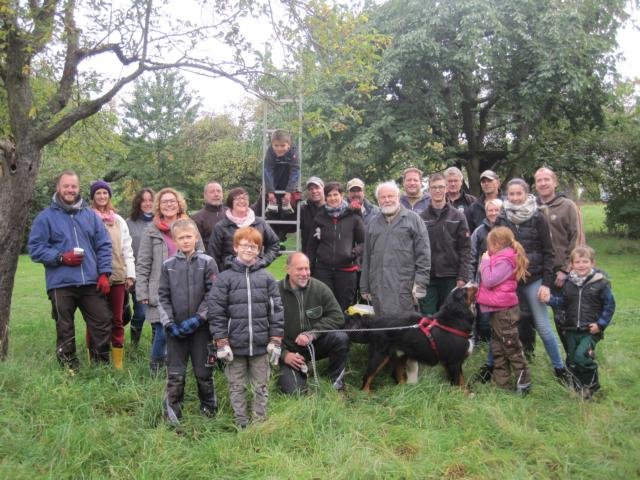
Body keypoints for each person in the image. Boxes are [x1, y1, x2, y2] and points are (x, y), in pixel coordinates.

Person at [28, 170, 112, 372]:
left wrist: (104, 273)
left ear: (78, 188)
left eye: (73, 186)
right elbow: (35, 248)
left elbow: (104, 245)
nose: (70, 190)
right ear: (58, 187)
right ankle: (69, 368)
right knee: (65, 327)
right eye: (66, 186)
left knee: (102, 322)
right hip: (61, 283)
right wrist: (60, 257)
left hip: (91, 281)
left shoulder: (90, 215)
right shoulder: (45, 217)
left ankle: (101, 365)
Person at [209, 227, 284, 427]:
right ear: (235, 247)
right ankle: (241, 421)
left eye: (254, 246)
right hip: (234, 345)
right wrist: (221, 342)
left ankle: (260, 421)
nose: (249, 249)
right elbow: (216, 312)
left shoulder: (267, 278)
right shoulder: (225, 278)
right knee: (237, 385)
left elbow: (276, 310)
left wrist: (275, 340)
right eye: (244, 245)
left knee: (261, 385)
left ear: (259, 250)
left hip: (260, 345)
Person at [495, 178, 568, 380]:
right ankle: (493, 366)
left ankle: (559, 369)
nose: (516, 198)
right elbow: (495, 251)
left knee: (543, 327)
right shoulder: (502, 218)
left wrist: (546, 284)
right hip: (509, 282)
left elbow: (549, 253)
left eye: (519, 193)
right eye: (512, 194)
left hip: (534, 280)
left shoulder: (538, 217)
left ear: (527, 194)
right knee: (503, 326)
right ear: (507, 196)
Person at [360, 181, 430, 383]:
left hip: (404, 290)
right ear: (378, 200)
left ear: (398, 197)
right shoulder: (373, 223)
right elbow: (367, 257)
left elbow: (424, 254)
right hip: (379, 290)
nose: (387, 200)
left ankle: (412, 377)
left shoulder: (413, 220)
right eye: (383, 197)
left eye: (391, 196)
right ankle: (389, 373)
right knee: (384, 334)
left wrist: (421, 283)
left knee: (407, 334)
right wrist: (365, 286)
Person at [158, 219, 219, 424]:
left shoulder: (208, 262)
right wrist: (169, 324)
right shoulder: (167, 266)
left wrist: (199, 318)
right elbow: (162, 296)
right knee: (176, 373)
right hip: (175, 329)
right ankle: (173, 414)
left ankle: (209, 410)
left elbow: (213, 294)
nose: (185, 241)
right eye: (181, 238)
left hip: (201, 329)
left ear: (196, 238)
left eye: (189, 237)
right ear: (175, 240)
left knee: (203, 372)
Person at [136, 187, 193, 376]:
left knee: (179, 331)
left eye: (172, 201)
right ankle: (155, 369)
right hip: (159, 289)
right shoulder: (151, 230)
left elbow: (200, 253)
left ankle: (175, 369)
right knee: (161, 331)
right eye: (165, 201)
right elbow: (143, 263)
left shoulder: (189, 226)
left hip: (185, 287)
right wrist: (142, 292)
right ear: (158, 206)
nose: (169, 204)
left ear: (179, 204)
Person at [546, 246, 615, 399]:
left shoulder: (600, 283)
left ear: (593, 263)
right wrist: (549, 299)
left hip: (590, 330)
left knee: (582, 356)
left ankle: (591, 386)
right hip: (570, 328)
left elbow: (609, 305)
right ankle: (578, 390)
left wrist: (601, 324)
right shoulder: (568, 284)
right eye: (578, 262)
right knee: (572, 360)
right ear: (571, 264)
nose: (581, 265)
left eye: (585, 261)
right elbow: (563, 302)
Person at [277, 252, 349, 395]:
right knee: (294, 393)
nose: (305, 273)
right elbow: (265, 328)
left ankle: (336, 383)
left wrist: (313, 333)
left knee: (341, 338)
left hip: (315, 345)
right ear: (288, 269)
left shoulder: (320, 288)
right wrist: (284, 355)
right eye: (299, 269)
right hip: (290, 351)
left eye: (307, 268)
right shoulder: (275, 291)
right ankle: (300, 374)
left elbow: (337, 316)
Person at [535, 167, 585, 354]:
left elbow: (577, 239)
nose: (543, 183)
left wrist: (566, 269)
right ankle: (527, 357)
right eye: (539, 180)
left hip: (561, 273)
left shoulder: (568, 206)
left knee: (565, 318)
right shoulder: (532, 206)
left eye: (547, 179)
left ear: (555, 182)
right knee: (529, 317)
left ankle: (577, 358)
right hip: (538, 271)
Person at [477, 227, 532, 394]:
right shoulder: (500, 257)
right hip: (497, 309)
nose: (487, 250)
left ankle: (524, 382)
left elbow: (489, 280)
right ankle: (501, 383)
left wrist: (485, 262)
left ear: (497, 244)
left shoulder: (505, 259)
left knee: (511, 346)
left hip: (505, 311)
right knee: (498, 347)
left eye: (489, 246)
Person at [90, 180, 135, 369]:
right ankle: (95, 359)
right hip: (93, 277)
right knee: (95, 319)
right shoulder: (87, 217)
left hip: (117, 276)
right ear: (92, 196)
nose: (102, 196)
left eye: (105, 193)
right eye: (98, 193)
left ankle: (118, 362)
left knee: (117, 319)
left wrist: (130, 274)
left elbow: (127, 248)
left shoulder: (118, 220)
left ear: (109, 196)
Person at [305, 181, 365, 312]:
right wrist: (309, 265)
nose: (333, 198)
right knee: (324, 306)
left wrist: (353, 253)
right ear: (325, 197)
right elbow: (311, 246)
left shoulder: (354, 216)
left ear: (342, 195)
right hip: (323, 271)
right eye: (329, 195)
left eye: (335, 194)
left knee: (343, 308)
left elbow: (364, 242)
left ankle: (342, 333)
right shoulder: (319, 218)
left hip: (347, 272)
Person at [419, 173, 470, 315]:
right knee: (428, 317)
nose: (437, 190)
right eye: (434, 187)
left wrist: (462, 276)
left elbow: (465, 249)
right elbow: (416, 249)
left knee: (449, 317)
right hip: (428, 277)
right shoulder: (421, 218)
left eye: (441, 187)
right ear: (429, 190)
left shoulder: (458, 216)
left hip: (451, 276)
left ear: (446, 188)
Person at [208, 187, 280, 271]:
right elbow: (213, 255)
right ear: (231, 202)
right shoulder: (220, 227)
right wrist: (224, 269)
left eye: (245, 198)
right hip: (229, 275)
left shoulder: (260, 223)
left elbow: (274, 244)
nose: (242, 201)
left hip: (255, 274)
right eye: (238, 199)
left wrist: (263, 261)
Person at [469, 198, 503, 343]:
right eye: (490, 210)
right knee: (483, 317)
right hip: (483, 280)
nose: (493, 212)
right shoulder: (479, 232)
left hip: (504, 279)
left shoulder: (507, 229)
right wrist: (471, 279)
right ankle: (484, 343)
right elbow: (471, 256)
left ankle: (500, 341)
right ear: (486, 212)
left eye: (496, 210)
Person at [126, 187, 154, 346]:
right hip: (138, 276)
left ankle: (157, 347)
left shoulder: (160, 222)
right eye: (144, 200)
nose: (147, 203)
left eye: (150, 200)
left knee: (159, 314)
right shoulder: (129, 223)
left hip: (158, 275)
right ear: (138, 202)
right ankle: (134, 344)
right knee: (141, 313)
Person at [262, 129, 301, 241]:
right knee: (271, 210)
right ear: (272, 144)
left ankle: (283, 233)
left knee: (289, 210)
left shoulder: (294, 152)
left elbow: (295, 171)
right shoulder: (270, 152)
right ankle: (273, 237)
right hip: (274, 184)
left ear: (288, 145)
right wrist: (270, 191)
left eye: (282, 145)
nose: (279, 148)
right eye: (276, 145)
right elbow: (267, 170)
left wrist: (289, 191)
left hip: (289, 183)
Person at [191, 181, 227, 248]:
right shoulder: (197, 219)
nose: (216, 194)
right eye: (212, 192)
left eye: (219, 191)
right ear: (205, 195)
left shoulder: (231, 214)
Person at [300, 176, 325, 250]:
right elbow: (291, 227)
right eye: (311, 189)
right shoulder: (303, 210)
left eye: (317, 188)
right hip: (308, 255)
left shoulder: (332, 209)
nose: (314, 191)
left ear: (323, 188)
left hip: (327, 256)